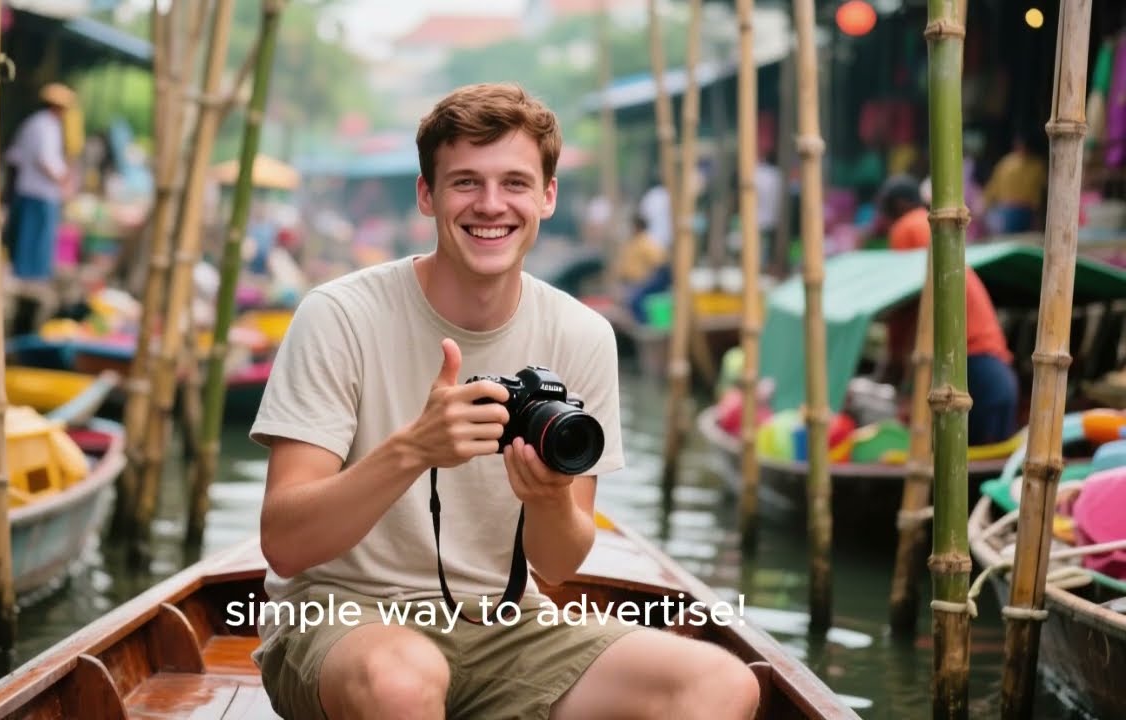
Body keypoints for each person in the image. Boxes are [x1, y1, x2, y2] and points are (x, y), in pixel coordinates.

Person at [249, 83, 760, 720]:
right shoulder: (339, 315)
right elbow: (286, 545)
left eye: (515, 183)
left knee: (722, 684)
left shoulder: (581, 333)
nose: (491, 205)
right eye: (465, 182)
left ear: (546, 196)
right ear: (426, 195)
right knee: (403, 682)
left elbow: (558, 562)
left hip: (505, 622)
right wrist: (412, 451)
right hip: (342, 617)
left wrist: (547, 498)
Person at [877, 175, 1019, 445]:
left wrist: (894, 361)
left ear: (899, 205)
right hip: (996, 368)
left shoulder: (906, 228)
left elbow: (905, 305)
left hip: (969, 366)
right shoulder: (933, 227)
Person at [4, 82, 74, 280]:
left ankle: (32, 274)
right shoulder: (43, 125)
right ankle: (30, 276)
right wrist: (62, 180)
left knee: (35, 235)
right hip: (37, 190)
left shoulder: (41, 124)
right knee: (33, 236)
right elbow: (44, 159)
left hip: (37, 189)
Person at [982, 131, 1047, 234]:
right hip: (1024, 210)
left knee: (1010, 242)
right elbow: (1045, 186)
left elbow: (993, 188)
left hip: (1011, 210)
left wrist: (985, 205)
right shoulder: (1037, 165)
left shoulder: (1006, 163)